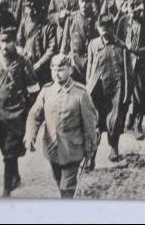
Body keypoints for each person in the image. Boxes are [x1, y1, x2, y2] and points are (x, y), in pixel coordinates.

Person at [0, 27, 40, 197]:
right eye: (2, 42)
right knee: (2, 145)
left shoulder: (22, 61)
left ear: (14, 43)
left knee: (10, 151)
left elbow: (33, 88)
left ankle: (6, 189)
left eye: (8, 42)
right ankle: (15, 174)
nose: (5, 45)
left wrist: (33, 111)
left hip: (16, 112)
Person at [24, 54, 99, 198]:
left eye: (61, 69)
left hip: (73, 150)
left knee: (67, 187)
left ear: (70, 70)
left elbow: (90, 124)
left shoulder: (81, 94)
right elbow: (34, 115)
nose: (56, 73)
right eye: (53, 69)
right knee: (60, 183)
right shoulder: (46, 91)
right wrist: (30, 136)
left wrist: (90, 149)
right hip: (52, 149)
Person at [85, 14, 133, 162]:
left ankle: (114, 147)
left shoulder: (121, 47)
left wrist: (126, 94)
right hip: (97, 89)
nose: (104, 32)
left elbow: (128, 72)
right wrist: (88, 86)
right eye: (101, 28)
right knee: (95, 122)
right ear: (98, 29)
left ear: (112, 28)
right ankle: (91, 155)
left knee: (114, 120)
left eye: (107, 28)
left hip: (115, 89)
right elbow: (90, 67)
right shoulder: (93, 44)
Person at [116, 0, 145, 140]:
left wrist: (136, 51)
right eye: (133, 11)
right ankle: (127, 118)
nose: (136, 14)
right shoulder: (123, 21)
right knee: (125, 93)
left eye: (139, 11)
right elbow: (118, 38)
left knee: (140, 95)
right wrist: (124, 48)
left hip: (141, 64)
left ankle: (137, 124)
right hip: (125, 63)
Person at [17, 0, 58, 86]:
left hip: (43, 66)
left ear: (40, 10)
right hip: (27, 63)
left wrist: (40, 63)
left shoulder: (48, 25)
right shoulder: (24, 21)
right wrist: (23, 56)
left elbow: (51, 48)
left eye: (34, 9)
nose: (31, 13)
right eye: (28, 9)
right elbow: (19, 40)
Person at [60, 0, 98, 83]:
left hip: (90, 63)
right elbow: (65, 42)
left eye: (87, 1)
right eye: (82, 1)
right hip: (74, 63)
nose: (84, 4)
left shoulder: (95, 20)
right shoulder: (71, 19)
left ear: (91, 2)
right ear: (78, 1)